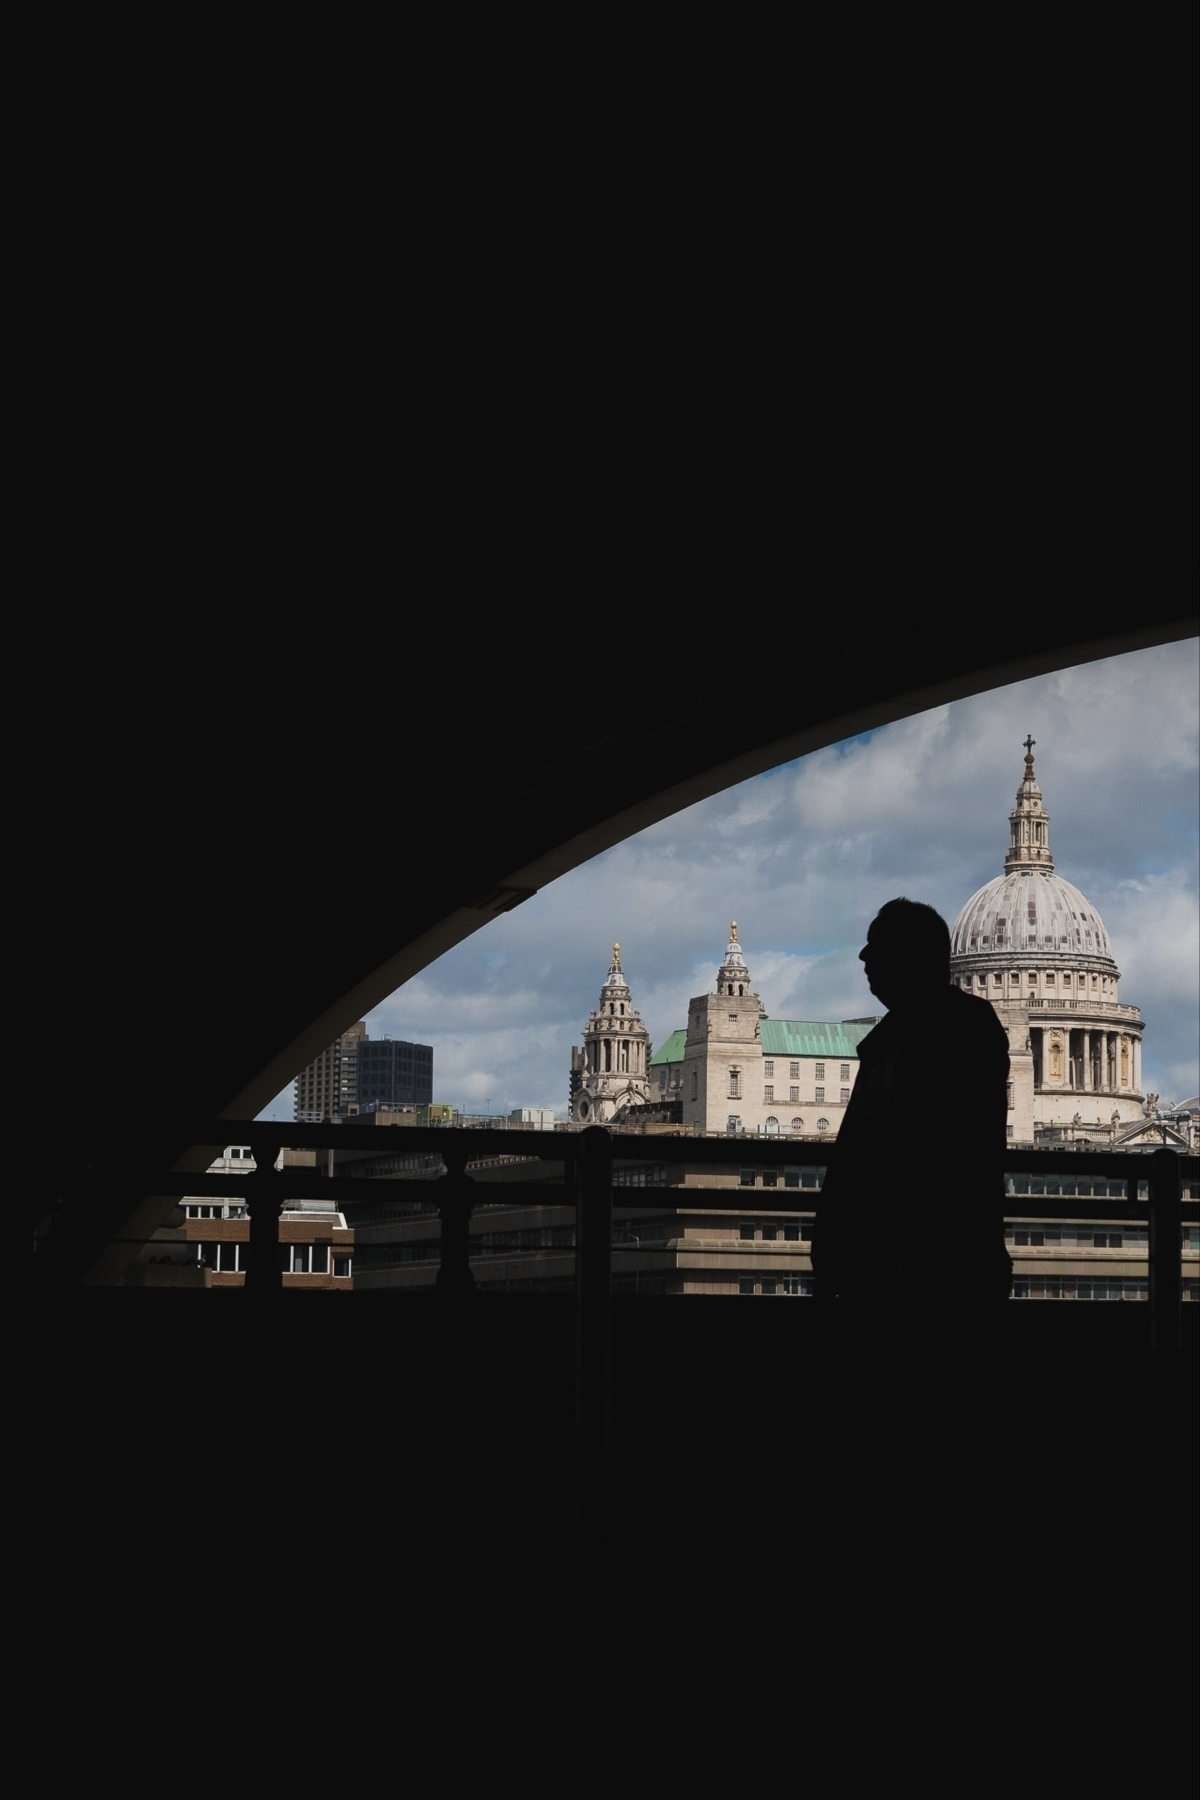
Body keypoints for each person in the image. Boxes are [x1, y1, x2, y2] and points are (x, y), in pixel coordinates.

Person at [812, 897, 1012, 1329]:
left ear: (912, 956)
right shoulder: (895, 1036)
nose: (864, 956)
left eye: (877, 945)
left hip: (926, 1269)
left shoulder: (958, 1030)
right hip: (888, 1264)